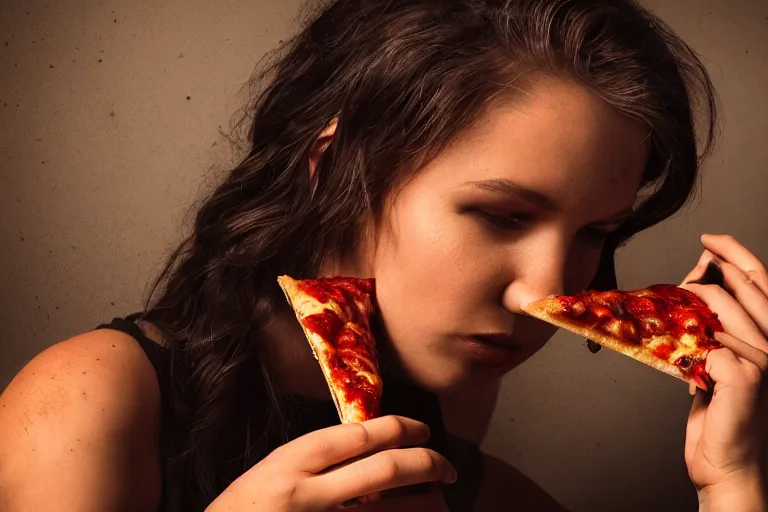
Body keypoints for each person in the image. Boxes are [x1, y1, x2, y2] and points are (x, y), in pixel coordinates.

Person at [0, 0, 766, 510]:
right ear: (333, 168)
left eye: (596, 233)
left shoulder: (453, 418)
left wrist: (732, 479)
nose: (544, 295)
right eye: (500, 215)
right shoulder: (87, 399)